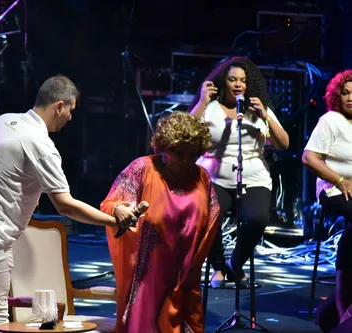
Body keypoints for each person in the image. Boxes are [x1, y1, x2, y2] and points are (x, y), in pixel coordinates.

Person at [0, 75, 136, 333]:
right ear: (59, 106)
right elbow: (66, 206)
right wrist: (113, 219)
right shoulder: (41, 144)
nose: (71, 118)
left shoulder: (3, 121)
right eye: (71, 111)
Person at [101, 112, 220, 333]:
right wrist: (119, 209)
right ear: (163, 146)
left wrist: (194, 265)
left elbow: (212, 219)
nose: (185, 160)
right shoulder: (143, 169)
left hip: (185, 274)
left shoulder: (201, 176)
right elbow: (110, 204)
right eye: (178, 153)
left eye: (192, 154)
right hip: (149, 275)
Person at [188, 56, 290, 288]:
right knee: (209, 218)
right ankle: (218, 267)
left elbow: (284, 143)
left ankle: (236, 262)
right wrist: (202, 102)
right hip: (215, 176)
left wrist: (265, 117)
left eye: (242, 81)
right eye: (232, 79)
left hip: (253, 176)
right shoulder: (210, 109)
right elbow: (185, 134)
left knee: (258, 218)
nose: (237, 85)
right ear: (222, 81)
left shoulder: (258, 109)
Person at [302, 69, 352, 332]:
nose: (350, 97)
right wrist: (340, 180)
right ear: (336, 96)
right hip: (334, 191)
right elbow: (309, 158)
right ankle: (344, 309)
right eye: (345, 92)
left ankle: (339, 307)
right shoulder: (330, 120)